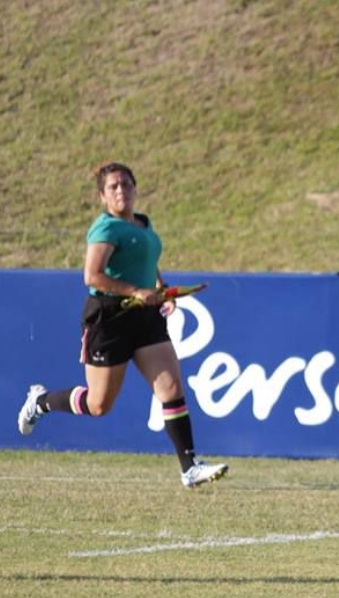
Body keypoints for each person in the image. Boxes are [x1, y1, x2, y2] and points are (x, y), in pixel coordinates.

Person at [17, 162, 228, 489]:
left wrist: (161, 289)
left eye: (126, 184)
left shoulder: (143, 224)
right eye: (113, 187)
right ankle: (41, 401)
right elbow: (93, 276)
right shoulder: (105, 230)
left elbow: (148, 261)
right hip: (109, 317)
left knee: (171, 388)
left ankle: (190, 467)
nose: (121, 191)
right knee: (98, 405)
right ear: (102, 196)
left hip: (144, 316)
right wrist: (136, 291)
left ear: (135, 188)